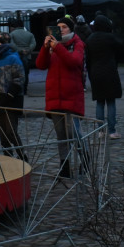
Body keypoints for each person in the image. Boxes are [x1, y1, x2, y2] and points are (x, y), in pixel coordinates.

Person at [35, 16, 86, 178]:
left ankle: (85, 159)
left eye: (64, 26)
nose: (61, 29)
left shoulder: (77, 44)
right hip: (55, 96)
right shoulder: (53, 46)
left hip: (71, 96)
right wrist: (45, 48)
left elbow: (74, 62)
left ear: (71, 29)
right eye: (58, 27)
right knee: (61, 134)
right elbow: (40, 65)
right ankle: (64, 165)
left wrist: (57, 47)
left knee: (74, 132)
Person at [0, 32, 26, 158]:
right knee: (2, 133)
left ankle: (22, 155)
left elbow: (19, 78)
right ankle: (8, 158)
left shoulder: (13, 58)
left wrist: (10, 94)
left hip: (10, 100)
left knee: (11, 131)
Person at [84, 15, 124, 139]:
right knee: (111, 101)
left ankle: (100, 131)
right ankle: (112, 131)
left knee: (100, 102)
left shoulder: (90, 39)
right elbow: (122, 49)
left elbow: (88, 59)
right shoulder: (110, 38)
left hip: (96, 72)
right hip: (110, 71)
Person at [8, 18, 37, 95]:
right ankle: (25, 89)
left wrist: (19, 50)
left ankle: (17, 89)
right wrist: (27, 50)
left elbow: (12, 45)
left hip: (16, 56)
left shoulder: (12, 34)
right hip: (27, 56)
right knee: (26, 73)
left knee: (15, 74)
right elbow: (33, 44)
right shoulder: (30, 34)